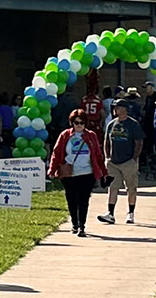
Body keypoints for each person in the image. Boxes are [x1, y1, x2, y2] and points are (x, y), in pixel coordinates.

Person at [48, 109, 104, 237]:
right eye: (76, 122)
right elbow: (56, 153)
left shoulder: (91, 135)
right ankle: (75, 223)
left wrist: (103, 172)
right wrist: (52, 169)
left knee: (83, 200)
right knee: (71, 199)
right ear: (72, 123)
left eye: (82, 123)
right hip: (69, 173)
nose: (79, 125)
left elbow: (98, 155)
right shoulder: (65, 135)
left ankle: (82, 226)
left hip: (87, 173)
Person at [98, 100, 145, 226]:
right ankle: (110, 213)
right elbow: (106, 141)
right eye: (114, 107)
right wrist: (107, 157)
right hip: (113, 162)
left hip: (128, 161)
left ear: (124, 109)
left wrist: (134, 158)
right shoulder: (111, 124)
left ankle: (130, 213)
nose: (115, 109)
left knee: (131, 188)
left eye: (117, 107)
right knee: (112, 188)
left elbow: (139, 142)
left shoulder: (133, 124)